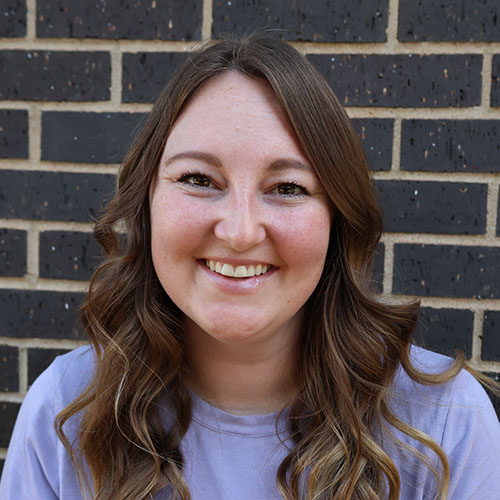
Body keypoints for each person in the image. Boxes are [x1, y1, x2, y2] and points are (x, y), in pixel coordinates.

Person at [1, 33, 499, 500]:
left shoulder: (443, 425)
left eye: (287, 188)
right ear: (146, 201)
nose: (240, 233)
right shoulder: (67, 412)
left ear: (338, 219)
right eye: (198, 179)